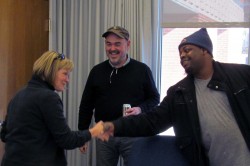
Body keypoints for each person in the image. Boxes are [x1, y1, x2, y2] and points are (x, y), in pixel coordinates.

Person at [101, 28, 250, 166]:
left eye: (187, 50)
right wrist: (115, 126)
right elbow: (152, 122)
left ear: (205, 50)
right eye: (180, 53)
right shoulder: (179, 93)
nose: (182, 55)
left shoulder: (241, 75)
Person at [0, 51, 104, 166]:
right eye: (65, 74)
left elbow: (4, 135)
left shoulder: (18, 95)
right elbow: (66, 140)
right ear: (51, 72)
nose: (67, 80)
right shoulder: (48, 98)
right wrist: (93, 131)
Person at [78, 26, 160, 166]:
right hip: (105, 134)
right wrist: (82, 134)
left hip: (134, 134)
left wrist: (140, 109)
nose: (112, 48)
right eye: (108, 44)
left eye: (117, 44)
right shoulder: (97, 71)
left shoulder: (142, 70)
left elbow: (154, 99)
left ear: (128, 44)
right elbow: (86, 105)